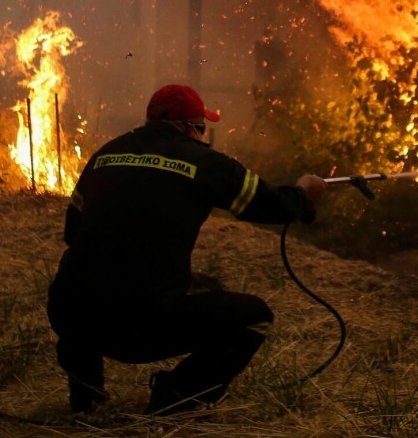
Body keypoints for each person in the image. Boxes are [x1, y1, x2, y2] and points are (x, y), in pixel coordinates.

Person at [47, 82, 327, 416]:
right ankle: (176, 395)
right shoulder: (205, 162)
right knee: (255, 317)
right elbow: (273, 206)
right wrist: (304, 192)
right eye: (202, 128)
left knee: (84, 289)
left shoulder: (105, 154)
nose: (203, 136)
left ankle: (86, 396)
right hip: (138, 325)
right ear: (187, 127)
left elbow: (73, 234)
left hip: (68, 311)